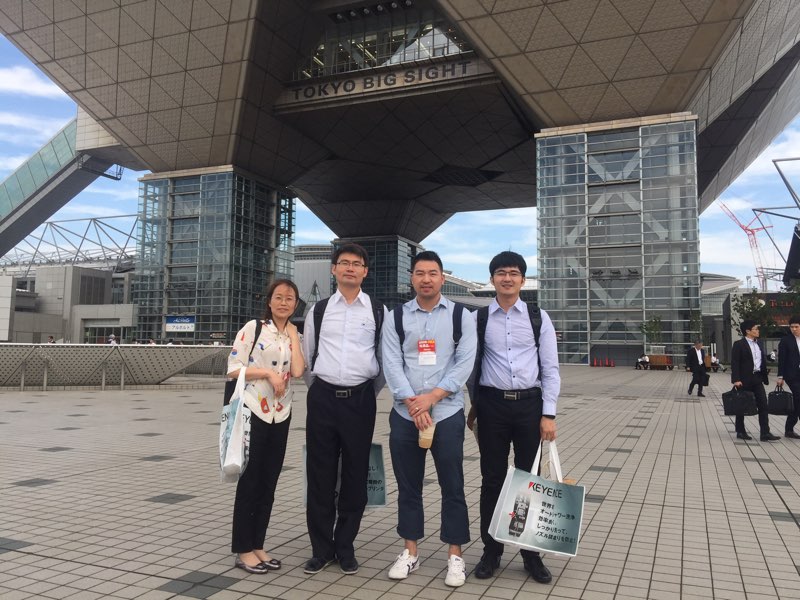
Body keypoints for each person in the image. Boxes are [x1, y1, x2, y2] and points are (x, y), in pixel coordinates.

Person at [382, 251, 477, 588]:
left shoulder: (461, 316)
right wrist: (413, 402)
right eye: (420, 273)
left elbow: (464, 363)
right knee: (408, 486)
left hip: (447, 413)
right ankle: (410, 551)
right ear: (411, 277)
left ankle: (455, 554)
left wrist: (432, 398)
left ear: (442, 278)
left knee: (453, 485)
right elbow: (391, 362)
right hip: (405, 414)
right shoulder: (395, 317)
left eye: (432, 273)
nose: (426, 279)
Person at [465, 251, 560, 583]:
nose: (507, 278)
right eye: (501, 273)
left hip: (529, 407)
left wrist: (549, 413)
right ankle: (491, 551)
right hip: (491, 406)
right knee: (491, 479)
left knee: (529, 480)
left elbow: (550, 368)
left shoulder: (538, 317)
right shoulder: (477, 319)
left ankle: (531, 554)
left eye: (514, 273)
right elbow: (466, 362)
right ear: (492, 279)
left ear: (522, 279)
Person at [301, 243, 386, 576]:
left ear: (365, 271)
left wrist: (363, 393)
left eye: (357, 263)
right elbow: (308, 356)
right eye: (344, 263)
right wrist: (321, 390)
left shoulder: (377, 310)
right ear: (334, 269)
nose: (350, 268)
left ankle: (346, 546)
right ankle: (321, 549)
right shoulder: (319, 310)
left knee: (355, 474)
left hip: (360, 400)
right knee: (320, 474)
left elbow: (382, 361)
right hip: (322, 398)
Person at [226, 278, 304, 574]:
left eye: (290, 298)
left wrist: (294, 335)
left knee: (269, 481)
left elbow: (298, 370)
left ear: (295, 304)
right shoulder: (254, 328)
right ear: (269, 301)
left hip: (281, 414)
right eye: (279, 297)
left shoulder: (293, 334)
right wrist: (268, 375)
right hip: (253, 409)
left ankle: (258, 544)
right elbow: (233, 368)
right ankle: (243, 548)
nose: (284, 302)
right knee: (250, 480)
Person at [731, 320, 779, 442]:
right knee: (742, 405)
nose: (758, 331)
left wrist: (769, 358)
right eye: (755, 329)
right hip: (744, 379)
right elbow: (735, 362)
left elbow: (760, 359)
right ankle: (740, 431)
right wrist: (736, 379)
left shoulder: (759, 343)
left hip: (757, 378)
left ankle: (765, 433)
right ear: (748, 331)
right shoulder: (739, 344)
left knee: (763, 404)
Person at [777, 315, 800, 439]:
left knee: (796, 402)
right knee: (798, 396)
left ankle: (789, 429)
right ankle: (789, 429)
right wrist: (780, 376)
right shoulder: (785, 340)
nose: (794, 329)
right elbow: (782, 360)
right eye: (792, 327)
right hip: (792, 376)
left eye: (796, 327)